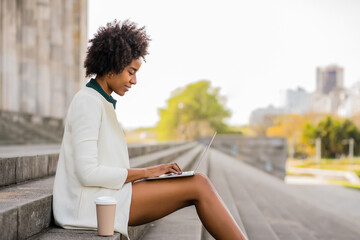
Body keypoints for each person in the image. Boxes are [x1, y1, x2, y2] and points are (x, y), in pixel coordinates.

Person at [52, 19, 247, 240]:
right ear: (111, 66)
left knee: (199, 183)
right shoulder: (87, 101)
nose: (134, 80)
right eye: (131, 71)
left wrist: (149, 175)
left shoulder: (99, 101)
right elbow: (87, 173)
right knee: (199, 185)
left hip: (106, 196)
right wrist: (148, 172)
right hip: (90, 206)